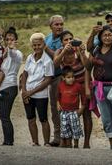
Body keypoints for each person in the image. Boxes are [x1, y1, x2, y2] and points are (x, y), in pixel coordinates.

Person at [53, 30, 92, 148]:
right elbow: (55, 64)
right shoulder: (59, 51)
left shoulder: (77, 50)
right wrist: (64, 51)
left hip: (82, 82)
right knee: (66, 112)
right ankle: (67, 141)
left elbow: (88, 67)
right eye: (66, 40)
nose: (69, 41)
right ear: (61, 42)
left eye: (71, 39)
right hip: (68, 85)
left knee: (86, 113)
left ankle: (86, 143)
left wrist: (82, 52)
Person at [21, 33, 54, 146]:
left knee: (43, 119)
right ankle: (35, 142)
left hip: (41, 95)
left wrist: (31, 92)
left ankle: (46, 143)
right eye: (34, 45)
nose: (36, 47)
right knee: (30, 118)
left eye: (39, 45)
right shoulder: (30, 58)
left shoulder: (47, 61)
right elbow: (24, 74)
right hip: (28, 93)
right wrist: (24, 91)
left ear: (44, 44)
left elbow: (48, 80)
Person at [0, 27, 23, 146]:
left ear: (16, 41)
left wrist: (11, 49)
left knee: (5, 116)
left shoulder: (17, 53)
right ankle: (7, 139)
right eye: (7, 39)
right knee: (3, 117)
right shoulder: (1, 53)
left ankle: (9, 141)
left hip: (9, 87)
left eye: (12, 39)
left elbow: (14, 54)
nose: (9, 41)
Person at [44, 15, 64, 147]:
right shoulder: (47, 38)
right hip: (49, 77)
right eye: (56, 24)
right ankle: (57, 137)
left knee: (61, 108)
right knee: (53, 108)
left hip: (60, 76)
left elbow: (58, 61)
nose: (59, 27)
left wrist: (46, 48)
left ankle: (63, 137)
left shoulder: (64, 39)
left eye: (61, 24)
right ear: (50, 26)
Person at [57, 68, 85, 148]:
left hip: (74, 112)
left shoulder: (77, 86)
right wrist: (58, 103)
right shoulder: (61, 85)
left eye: (73, 77)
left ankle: (76, 145)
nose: (71, 79)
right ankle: (69, 145)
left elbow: (83, 97)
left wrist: (82, 108)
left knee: (75, 128)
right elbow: (58, 96)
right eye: (68, 77)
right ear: (63, 78)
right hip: (64, 112)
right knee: (65, 129)